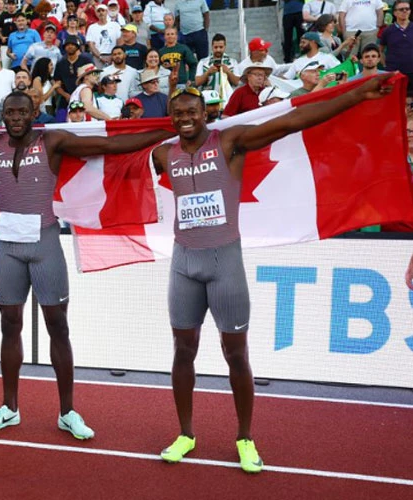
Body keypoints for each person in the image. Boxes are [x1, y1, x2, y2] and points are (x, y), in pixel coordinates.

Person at [154, 75, 393, 473]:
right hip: (184, 263)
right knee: (182, 350)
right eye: (177, 113)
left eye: (191, 112)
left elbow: (291, 122)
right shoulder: (164, 154)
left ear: (205, 114)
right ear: (171, 117)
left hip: (224, 263)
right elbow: (110, 148)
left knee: (236, 354)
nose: (184, 118)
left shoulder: (228, 141)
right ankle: (185, 433)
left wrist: (356, 95)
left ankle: (245, 438)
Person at [0, 90, 174, 440]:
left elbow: (110, 146)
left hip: (44, 242)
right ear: (2, 114)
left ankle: (67, 411)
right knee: (10, 324)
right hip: (7, 245)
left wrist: (166, 132)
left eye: (23, 111)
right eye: (10, 112)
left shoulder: (51, 140)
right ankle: (9, 408)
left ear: (34, 112)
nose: (16, 118)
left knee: (58, 325)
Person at [379, 1, 413, 95]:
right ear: (395, 13)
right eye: (401, 9)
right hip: (394, 73)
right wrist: (385, 65)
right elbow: (380, 50)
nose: (405, 11)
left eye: (407, 9)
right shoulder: (388, 31)